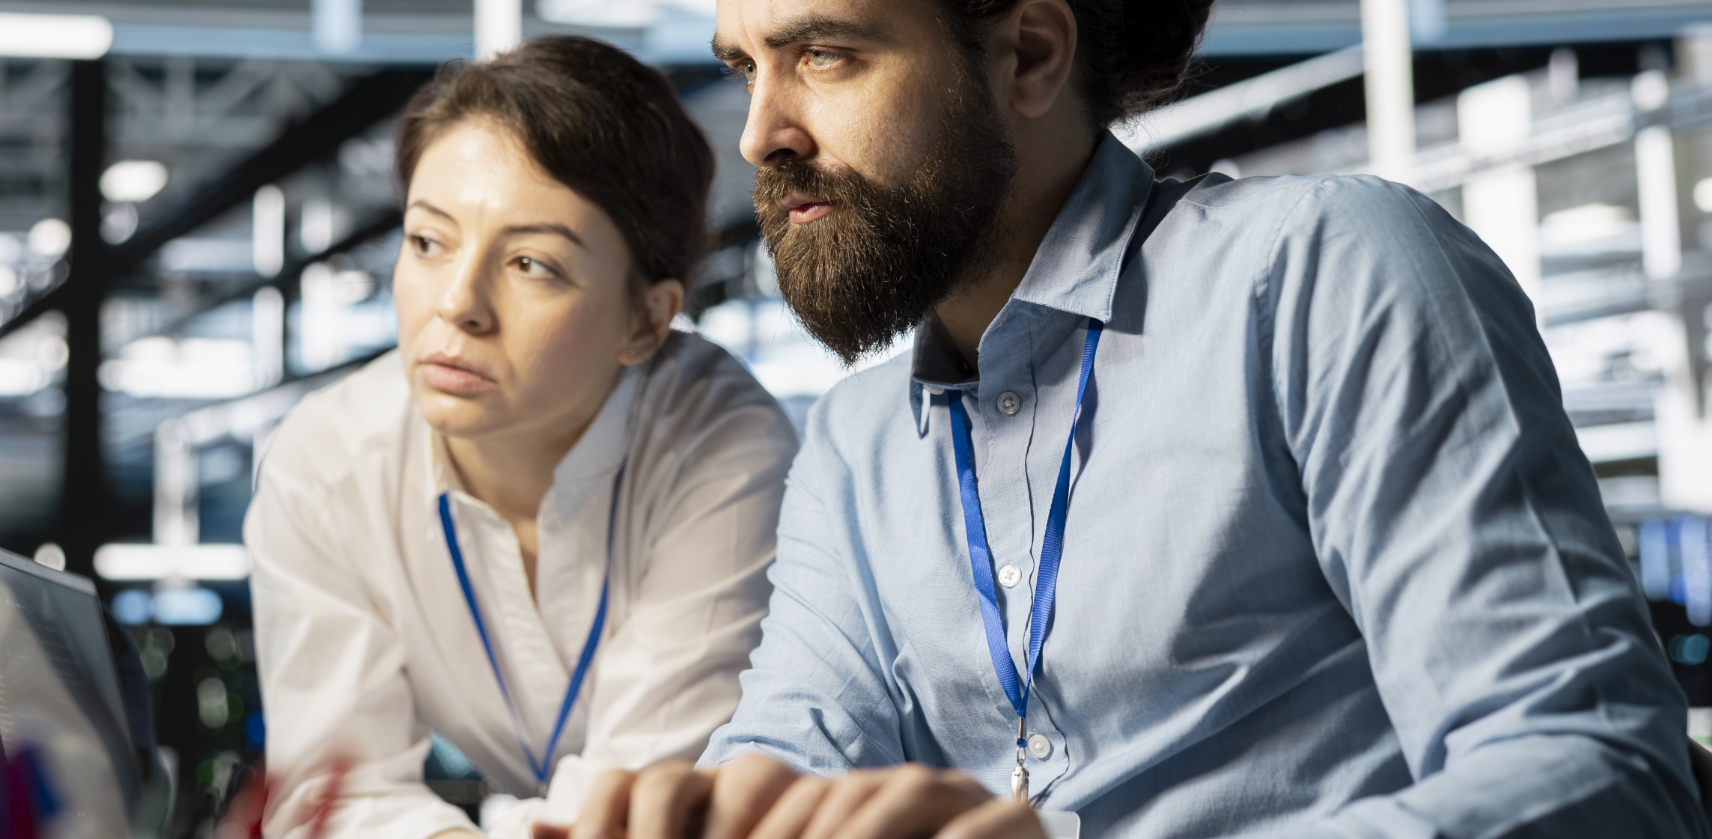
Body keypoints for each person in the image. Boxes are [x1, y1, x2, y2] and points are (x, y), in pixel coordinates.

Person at [562, 0, 1710, 837]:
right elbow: (791, 749)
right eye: (741, 66)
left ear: (1028, 54)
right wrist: (704, 813)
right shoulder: (861, 443)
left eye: (824, 54)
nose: (759, 132)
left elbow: (1600, 776)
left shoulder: (1320, 272)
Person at [243, 36, 800, 839]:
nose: (458, 304)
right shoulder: (324, 467)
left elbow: (640, 804)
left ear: (646, 320)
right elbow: (333, 797)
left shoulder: (724, 447)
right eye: (427, 241)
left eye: (532, 263)